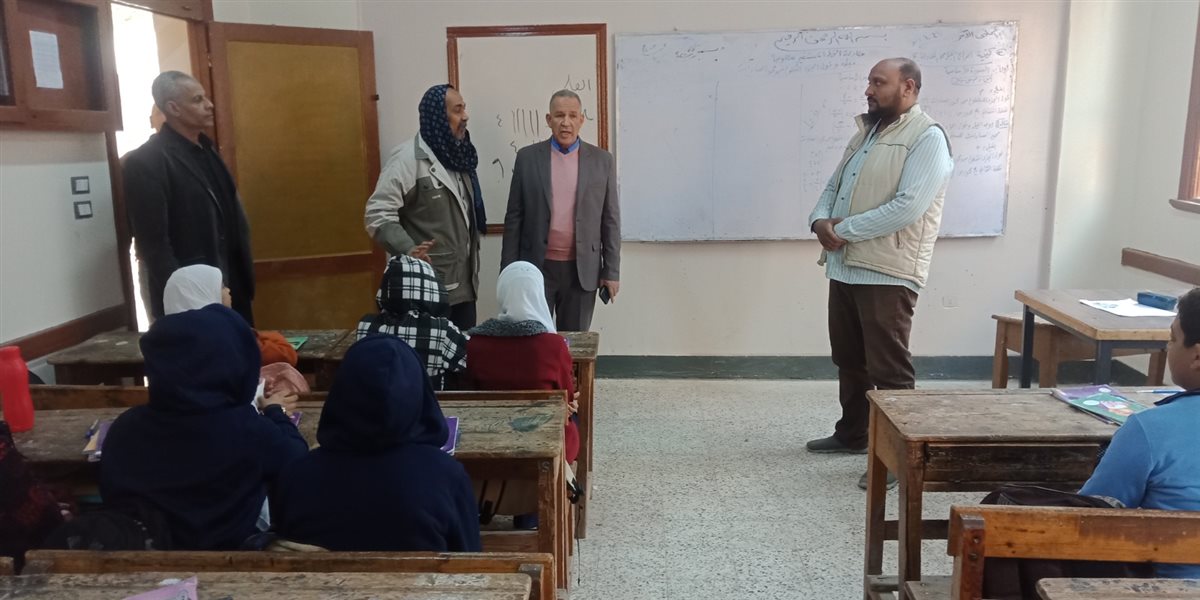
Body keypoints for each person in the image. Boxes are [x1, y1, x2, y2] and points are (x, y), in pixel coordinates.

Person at [804, 58, 954, 490]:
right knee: (849, 359)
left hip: (888, 269)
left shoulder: (927, 138)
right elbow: (833, 187)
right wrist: (819, 221)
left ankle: (897, 460)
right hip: (846, 265)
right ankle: (853, 434)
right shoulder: (865, 134)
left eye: (878, 82)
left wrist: (842, 231)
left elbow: (908, 206)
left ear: (908, 87)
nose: (868, 90)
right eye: (869, 82)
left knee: (889, 371)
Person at [99, 304, 308, 550]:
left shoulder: (125, 428)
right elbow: (296, 456)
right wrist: (275, 412)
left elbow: (111, 493)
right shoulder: (246, 429)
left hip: (143, 554)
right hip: (228, 557)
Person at [273, 335, 481, 552]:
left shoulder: (296, 475)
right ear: (420, 394)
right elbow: (470, 559)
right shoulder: (446, 476)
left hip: (319, 576)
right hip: (422, 576)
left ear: (341, 391)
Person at [1079, 288, 1200, 578]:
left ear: (1197, 356)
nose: (1168, 347)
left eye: (1172, 338)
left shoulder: (1149, 430)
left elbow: (1088, 519)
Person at [124, 71, 256, 325]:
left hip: (232, 287)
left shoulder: (208, 150)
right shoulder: (147, 161)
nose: (209, 105)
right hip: (192, 299)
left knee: (242, 348)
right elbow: (154, 244)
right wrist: (187, 297)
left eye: (205, 97)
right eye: (197, 100)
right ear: (173, 108)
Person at [364, 84, 485, 331]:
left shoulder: (458, 155)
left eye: (464, 108)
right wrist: (407, 248)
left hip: (464, 287)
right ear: (437, 116)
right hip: (425, 290)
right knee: (427, 354)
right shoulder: (407, 160)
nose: (465, 116)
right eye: (457, 110)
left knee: (462, 352)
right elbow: (378, 213)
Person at [502, 89, 621, 332]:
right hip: (536, 267)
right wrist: (508, 271)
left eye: (572, 115)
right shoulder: (527, 158)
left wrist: (611, 271)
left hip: (581, 270)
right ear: (549, 119)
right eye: (559, 115)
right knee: (535, 339)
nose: (565, 122)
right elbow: (514, 218)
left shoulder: (602, 161)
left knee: (574, 344)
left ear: (581, 119)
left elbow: (610, 219)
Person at [466, 261, 580, 464]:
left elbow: (470, 394)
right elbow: (568, 397)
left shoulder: (475, 343)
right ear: (539, 294)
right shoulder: (554, 346)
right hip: (546, 444)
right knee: (574, 417)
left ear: (502, 293)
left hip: (489, 441)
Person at [356, 255, 468, 387]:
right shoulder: (441, 330)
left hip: (378, 399)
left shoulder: (366, 325)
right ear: (433, 288)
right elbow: (469, 359)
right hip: (425, 399)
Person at [162, 265, 297, 367]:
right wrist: (274, 335)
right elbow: (286, 354)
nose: (228, 290)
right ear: (206, 295)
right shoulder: (226, 336)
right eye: (221, 287)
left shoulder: (166, 339)